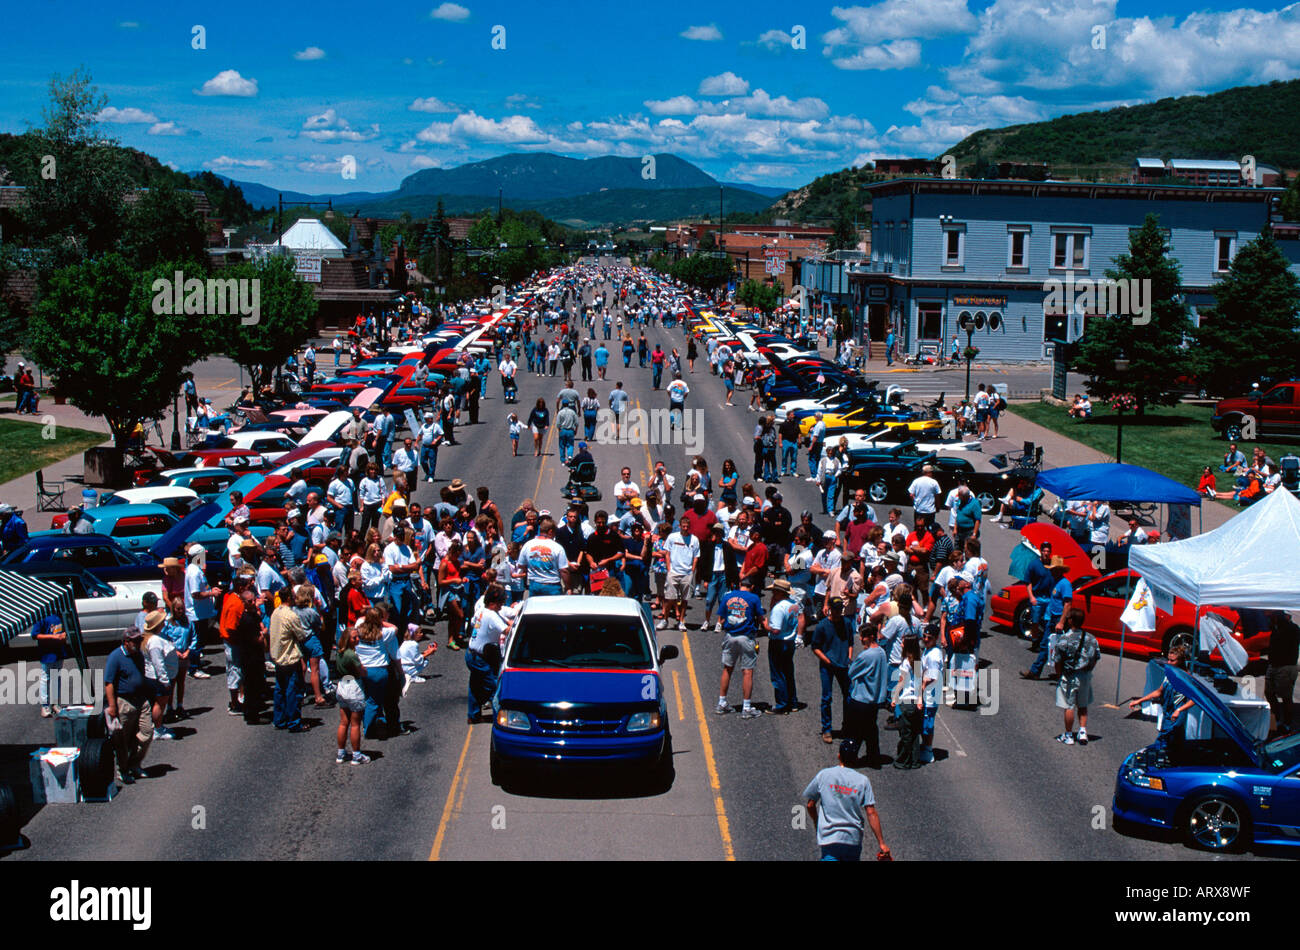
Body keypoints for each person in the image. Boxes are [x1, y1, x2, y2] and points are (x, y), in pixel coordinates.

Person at [802, 739, 890, 861]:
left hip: (830, 838)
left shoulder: (824, 775)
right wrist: (881, 843)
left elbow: (810, 805)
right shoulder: (863, 781)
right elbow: (871, 812)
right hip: (852, 839)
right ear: (856, 759)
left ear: (839, 756)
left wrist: (817, 823)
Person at [103, 626, 153, 784]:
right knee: (122, 739)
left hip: (141, 700)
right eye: (135, 640)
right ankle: (123, 769)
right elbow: (109, 683)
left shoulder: (138, 655)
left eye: (140, 640)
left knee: (147, 732)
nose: (139, 643)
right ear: (126, 642)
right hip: (124, 702)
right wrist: (112, 706)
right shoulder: (115, 657)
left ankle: (135, 763)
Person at [1129, 644, 1194, 754]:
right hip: (1167, 713)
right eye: (1168, 660)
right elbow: (1159, 692)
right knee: (1168, 743)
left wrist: (1179, 710)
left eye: (1172, 660)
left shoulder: (1186, 678)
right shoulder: (1169, 675)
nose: (1169, 663)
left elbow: (1193, 699)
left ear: (1180, 661)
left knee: (1165, 741)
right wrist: (1140, 701)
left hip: (1177, 715)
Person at [716, 576, 766, 719]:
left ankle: (722, 702)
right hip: (746, 637)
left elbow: (721, 618)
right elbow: (761, 619)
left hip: (730, 636)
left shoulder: (727, 597)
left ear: (739, 584)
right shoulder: (754, 598)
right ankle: (746, 707)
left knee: (727, 668)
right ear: (751, 587)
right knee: (747, 672)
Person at [1052, 606, 1099, 745]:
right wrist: (1089, 669)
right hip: (1085, 676)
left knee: (1069, 705)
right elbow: (1096, 657)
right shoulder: (1091, 638)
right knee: (1083, 705)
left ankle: (1068, 735)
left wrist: (1059, 675)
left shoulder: (1064, 639)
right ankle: (1083, 731)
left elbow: (1058, 661)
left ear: (1071, 621)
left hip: (1070, 676)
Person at [811, 595, 854, 744]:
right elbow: (815, 647)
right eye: (835, 609)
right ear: (829, 609)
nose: (837, 612)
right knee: (827, 697)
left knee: (848, 697)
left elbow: (850, 642)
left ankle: (847, 727)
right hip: (828, 666)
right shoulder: (822, 626)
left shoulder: (847, 623)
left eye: (840, 609)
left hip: (843, 664)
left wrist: (849, 657)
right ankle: (827, 729)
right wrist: (827, 660)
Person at [1021, 556, 1072, 680]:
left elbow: (1068, 604)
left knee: (1057, 647)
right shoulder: (1055, 582)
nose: (1051, 571)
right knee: (1047, 645)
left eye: (1054, 569)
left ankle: (1045, 671)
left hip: (1058, 619)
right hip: (1052, 618)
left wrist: (1061, 622)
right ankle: (1038, 671)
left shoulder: (1065, 584)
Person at [845, 624, 889, 767]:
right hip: (875, 700)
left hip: (861, 699)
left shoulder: (866, 656)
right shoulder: (882, 652)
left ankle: (850, 758)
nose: (861, 639)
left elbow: (851, 672)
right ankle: (873, 757)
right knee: (871, 730)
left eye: (863, 637)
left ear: (870, 637)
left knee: (856, 731)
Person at [764, 578, 804, 715]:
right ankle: (792, 702)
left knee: (777, 674)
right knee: (788, 672)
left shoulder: (779, 609)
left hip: (778, 642)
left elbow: (775, 629)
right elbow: (800, 617)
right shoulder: (794, 604)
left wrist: (765, 625)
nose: (772, 593)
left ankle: (781, 704)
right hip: (790, 641)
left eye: (774, 591)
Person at [268, 598, 308, 732]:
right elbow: (301, 635)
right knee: (293, 689)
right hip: (290, 656)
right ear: (289, 599)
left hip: (278, 655)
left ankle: (279, 719)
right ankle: (294, 722)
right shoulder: (291, 615)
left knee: (280, 688)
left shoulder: (275, 613)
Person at [334, 626, 371, 764]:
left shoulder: (340, 652)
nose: (357, 639)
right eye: (354, 637)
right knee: (355, 724)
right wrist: (364, 670)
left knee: (344, 722)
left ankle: (341, 753)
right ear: (347, 640)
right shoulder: (352, 655)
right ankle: (356, 755)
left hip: (342, 685)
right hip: (354, 687)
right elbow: (362, 671)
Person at [1264, 611, 1300, 735]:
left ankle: (1287, 723)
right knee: (1269, 692)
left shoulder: (1292, 629)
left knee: (1286, 696)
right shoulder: (1276, 627)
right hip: (1273, 665)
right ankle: (1277, 718)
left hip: (1286, 667)